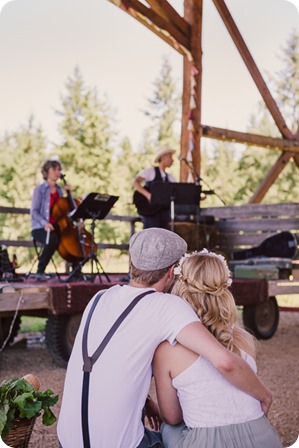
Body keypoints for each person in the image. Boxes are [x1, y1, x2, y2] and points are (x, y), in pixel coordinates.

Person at [57, 227, 272, 448]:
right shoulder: (167, 305)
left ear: (132, 265)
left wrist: (145, 402)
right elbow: (224, 361)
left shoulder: (99, 298)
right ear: (171, 272)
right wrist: (264, 396)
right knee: (170, 428)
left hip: (67, 440)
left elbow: (103, 363)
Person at [153, 249, 282, 448]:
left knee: (169, 428)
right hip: (264, 439)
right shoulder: (243, 337)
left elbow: (172, 416)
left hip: (207, 443)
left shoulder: (167, 350)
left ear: (180, 287)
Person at [30, 159, 69, 281]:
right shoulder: (40, 189)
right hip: (40, 227)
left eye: (59, 170)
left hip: (56, 226)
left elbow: (62, 211)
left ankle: (76, 271)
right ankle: (40, 271)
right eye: (54, 169)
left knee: (73, 237)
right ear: (47, 171)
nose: (57, 172)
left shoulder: (59, 190)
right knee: (53, 239)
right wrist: (45, 223)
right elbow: (34, 211)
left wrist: (69, 195)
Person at [133, 146, 176, 229]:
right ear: (163, 157)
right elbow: (135, 182)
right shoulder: (151, 171)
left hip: (164, 212)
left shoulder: (170, 177)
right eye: (170, 157)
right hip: (150, 211)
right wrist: (148, 195)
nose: (172, 160)